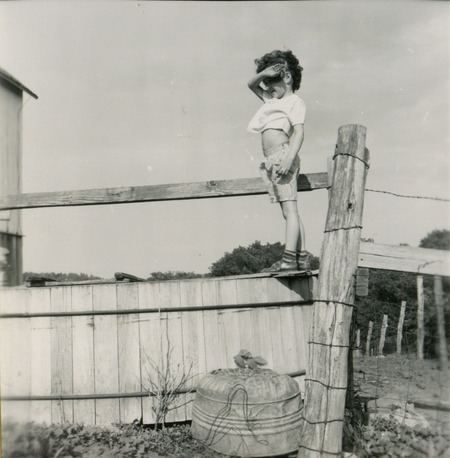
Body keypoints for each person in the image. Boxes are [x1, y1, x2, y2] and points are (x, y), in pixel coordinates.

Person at [247, 49, 310, 272]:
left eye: (271, 82)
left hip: (283, 155)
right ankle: (301, 258)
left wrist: (288, 159)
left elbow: (299, 133)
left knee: (290, 209)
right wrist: (265, 72)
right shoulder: (272, 100)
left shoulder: (294, 102)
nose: (267, 87)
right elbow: (251, 84)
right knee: (288, 210)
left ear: (287, 78)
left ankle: (289, 259)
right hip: (272, 159)